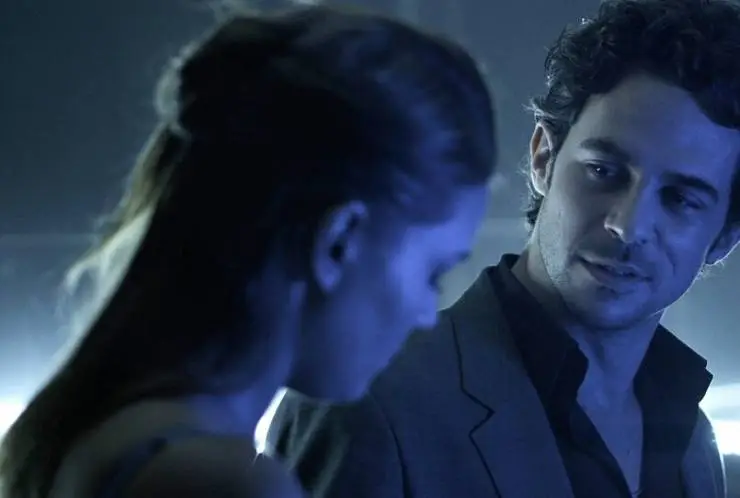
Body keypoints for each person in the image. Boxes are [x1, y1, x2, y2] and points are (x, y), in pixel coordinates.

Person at [0, 5, 497, 498]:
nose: (427, 315)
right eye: (433, 273)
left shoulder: (97, 434)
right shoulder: (223, 482)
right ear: (339, 242)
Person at [267, 0, 740, 497]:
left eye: (681, 199)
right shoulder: (368, 400)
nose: (626, 225)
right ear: (543, 158)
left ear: (725, 237)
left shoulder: (693, 442)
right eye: (603, 171)